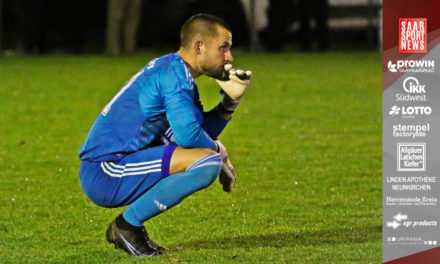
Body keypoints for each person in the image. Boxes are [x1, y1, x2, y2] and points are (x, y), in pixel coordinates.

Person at [79, 14, 252, 257]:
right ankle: (127, 227)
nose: (229, 57)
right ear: (199, 46)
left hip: (121, 164)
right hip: (106, 172)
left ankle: (128, 227)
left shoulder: (177, 71)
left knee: (207, 158)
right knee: (208, 162)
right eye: (223, 47)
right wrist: (219, 153)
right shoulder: (174, 75)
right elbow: (190, 138)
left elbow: (198, 134)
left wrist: (229, 103)